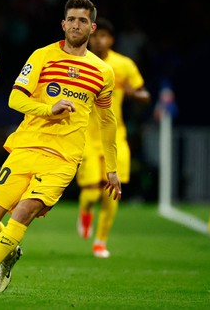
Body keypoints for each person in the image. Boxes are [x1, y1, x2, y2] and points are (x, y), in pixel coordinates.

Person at [0, 0, 122, 295]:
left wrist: (111, 168)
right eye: (72, 19)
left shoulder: (103, 72)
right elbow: (15, 99)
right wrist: (49, 109)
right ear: (63, 24)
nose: (76, 25)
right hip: (25, 149)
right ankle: (9, 253)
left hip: (63, 159)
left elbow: (107, 121)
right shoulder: (42, 56)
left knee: (22, 213)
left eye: (83, 21)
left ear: (92, 27)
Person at [76, 17, 150, 258]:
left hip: (115, 137)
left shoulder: (124, 65)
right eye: (96, 36)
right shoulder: (78, 62)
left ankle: (101, 241)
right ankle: (85, 210)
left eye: (104, 36)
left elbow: (145, 95)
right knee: (91, 193)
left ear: (111, 39)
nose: (99, 40)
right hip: (86, 135)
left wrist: (134, 94)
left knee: (112, 192)